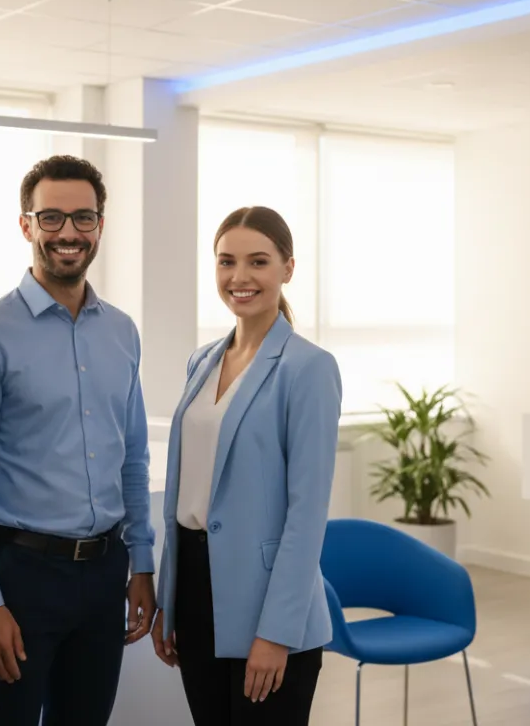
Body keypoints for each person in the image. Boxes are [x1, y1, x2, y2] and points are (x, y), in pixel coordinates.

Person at [0, 155, 156, 726]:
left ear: (100, 226)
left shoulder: (121, 331)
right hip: (22, 578)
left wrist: (142, 562)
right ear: (26, 225)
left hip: (106, 571)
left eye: (83, 218)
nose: (69, 233)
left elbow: (131, 458)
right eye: (52, 217)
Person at [151, 205, 342, 725]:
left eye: (258, 262)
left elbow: (306, 516)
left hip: (267, 602)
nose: (239, 277)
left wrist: (276, 632)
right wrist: (170, 596)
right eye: (226, 262)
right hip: (194, 588)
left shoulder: (308, 368)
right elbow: (186, 494)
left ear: (288, 268)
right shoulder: (202, 360)